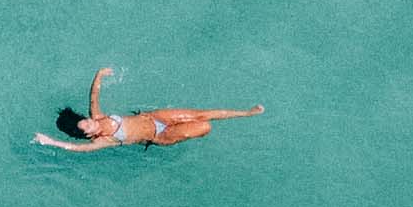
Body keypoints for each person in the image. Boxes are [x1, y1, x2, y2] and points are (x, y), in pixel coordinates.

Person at [37, 67, 263, 152]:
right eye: (87, 126)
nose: (90, 122)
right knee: (205, 126)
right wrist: (51, 142)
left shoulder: (98, 115)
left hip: (154, 117)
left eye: (86, 120)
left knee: (199, 114)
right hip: (160, 135)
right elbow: (76, 148)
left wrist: (99, 75)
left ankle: (246, 112)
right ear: (87, 135)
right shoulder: (102, 141)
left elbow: (94, 95)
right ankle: (193, 132)